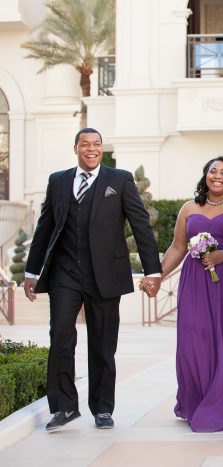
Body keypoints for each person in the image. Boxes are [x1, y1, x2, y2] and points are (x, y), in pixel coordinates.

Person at [24, 128, 161, 431]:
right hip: (64, 273)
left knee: (102, 343)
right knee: (60, 336)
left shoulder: (119, 179)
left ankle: (102, 408)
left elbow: (140, 225)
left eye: (96, 144)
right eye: (85, 144)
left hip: (105, 274)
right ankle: (63, 407)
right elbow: (45, 227)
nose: (91, 149)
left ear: (102, 149)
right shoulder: (58, 181)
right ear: (75, 148)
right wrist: (32, 272)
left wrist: (153, 271)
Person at [155, 156, 223, 432]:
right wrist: (157, 277)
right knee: (195, 340)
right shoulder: (189, 208)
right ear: (205, 176)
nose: (218, 176)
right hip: (195, 283)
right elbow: (177, 248)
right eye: (213, 171)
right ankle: (199, 400)